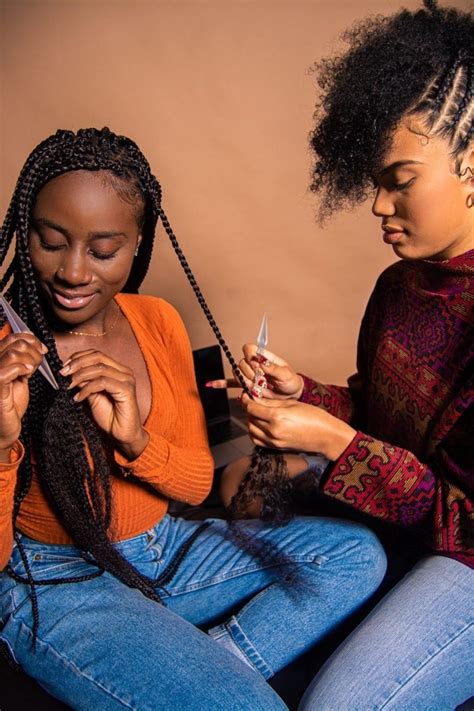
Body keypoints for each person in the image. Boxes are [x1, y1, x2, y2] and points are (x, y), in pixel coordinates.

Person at [0, 128, 386, 709]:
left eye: (104, 251)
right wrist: (3, 441)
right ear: (24, 230)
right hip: (56, 578)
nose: (74, 271)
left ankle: (209, 663)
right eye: (50, 241)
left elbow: (201, 482)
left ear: (137, 244)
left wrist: (135, 440)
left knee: (357, 557)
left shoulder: (157, 320)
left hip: (163, 550)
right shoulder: (5, 352)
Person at [215, 1, 473, 708]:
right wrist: (304, 392)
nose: (379, 205)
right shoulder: (399, 284)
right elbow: (380, 413)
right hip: (407, 521)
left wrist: (332, 439)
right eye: (375, 181)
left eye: (401, 179)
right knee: (232, 484)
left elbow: (463, 516)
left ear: (472, 162)